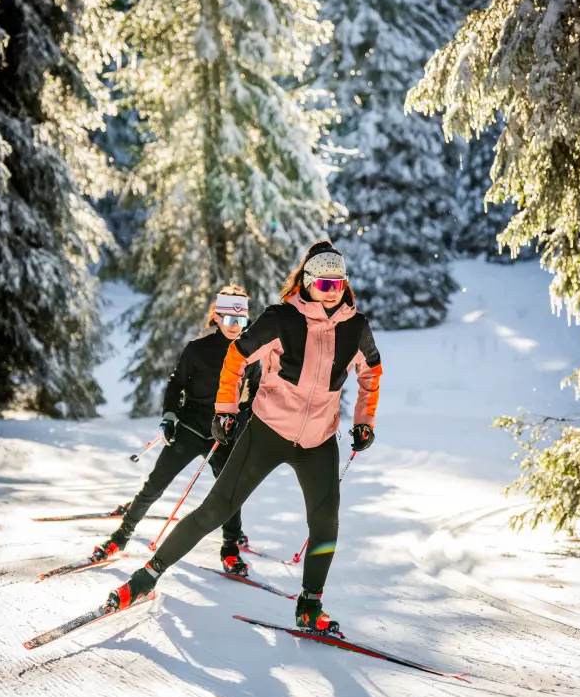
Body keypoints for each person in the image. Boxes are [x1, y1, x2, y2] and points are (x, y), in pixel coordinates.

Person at [106, 241, 382, 634]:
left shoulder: (356, 327)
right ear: (308, 282)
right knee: (215, 509)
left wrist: (364, 420)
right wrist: (225, 409)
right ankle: (146, 577)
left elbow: (371, 371)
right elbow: (236, 357)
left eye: (339, 283)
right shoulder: (281, 319)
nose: (332, 291)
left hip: (319, 441)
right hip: (267, 431)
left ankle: (309, 605)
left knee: (326, 524)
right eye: (324, 283)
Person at [92, 285, 260, 575]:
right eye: (229, 319)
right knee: (155, 484)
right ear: (217, 317)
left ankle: (230, 549)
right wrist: (169, 417)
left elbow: (254, 392)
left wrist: (242, 420)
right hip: (190, 428)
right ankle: (121, 536)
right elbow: (175, 383)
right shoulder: (198, 348)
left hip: (224, 433)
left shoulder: (250, 353)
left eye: (241, 320)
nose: (235, 326)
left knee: (230, 492)